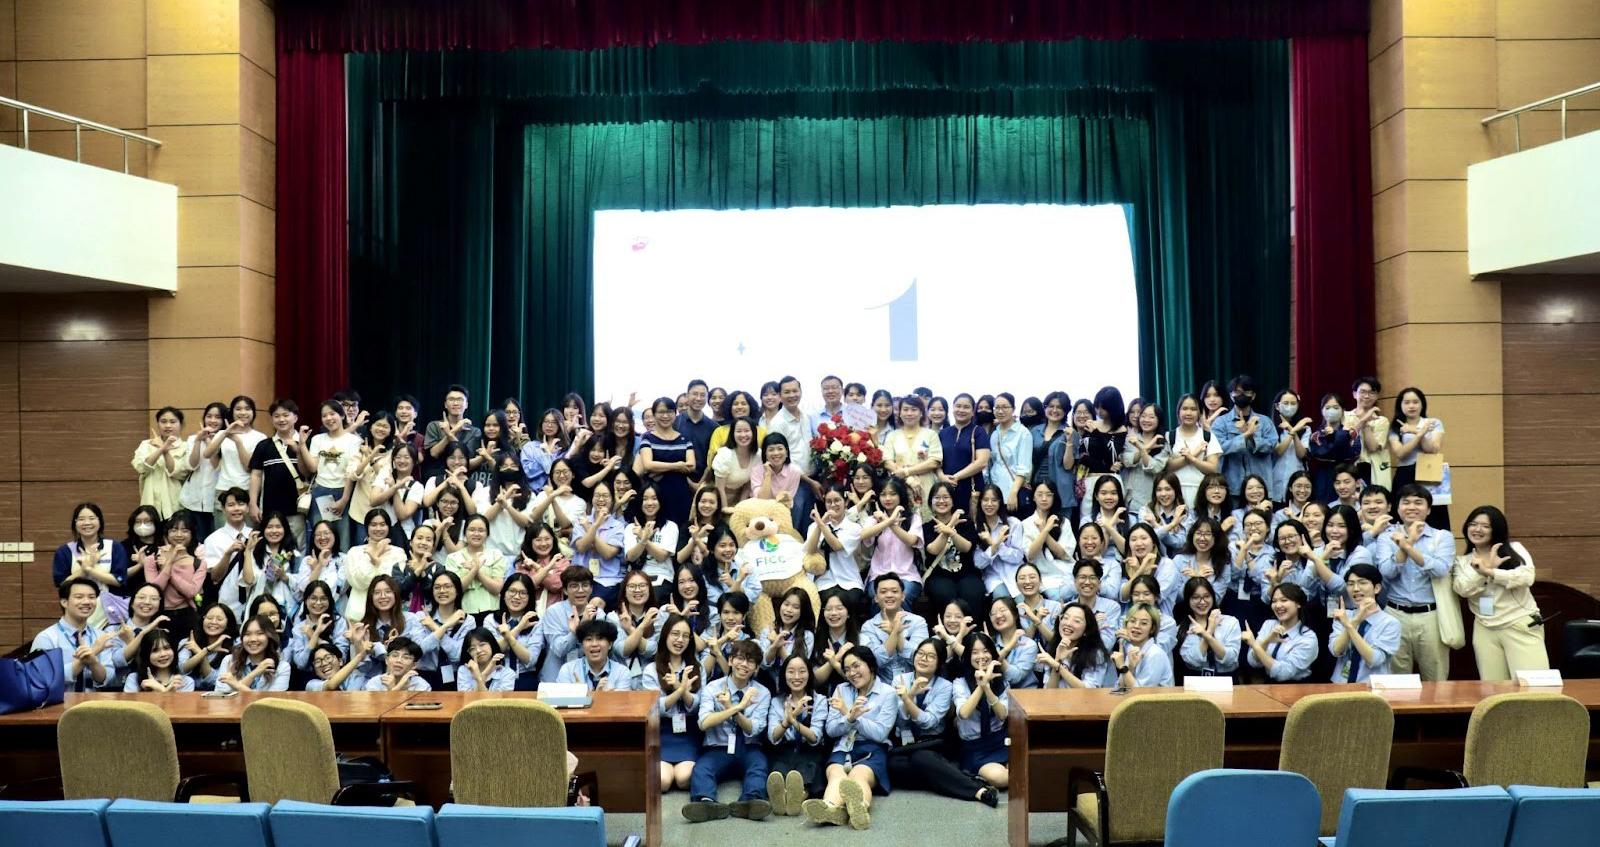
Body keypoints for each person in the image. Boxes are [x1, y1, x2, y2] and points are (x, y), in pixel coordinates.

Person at [802, 646, 897, 830]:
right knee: (835, 774)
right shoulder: (841, 689)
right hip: (842, 747)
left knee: (858, 775)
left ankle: (860, 809)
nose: (852, 673)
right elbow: (830, 729)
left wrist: (851, 716)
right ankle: (830, 808)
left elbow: (880, 733)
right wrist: (849, 718)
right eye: (847, 669)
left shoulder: (888, 693)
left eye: (856, 666)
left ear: (870, 666)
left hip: (871, 748)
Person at [1452, 506, 1549, 681]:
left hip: (1519, 623)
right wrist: (1481, 573)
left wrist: (1491, 572)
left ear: (1496, 529)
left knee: (1533, 683)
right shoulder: (1462, 561)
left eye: (1485, 526)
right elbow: (1462, 589)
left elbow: (1527, 577)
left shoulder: (1514, 549)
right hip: (1484, 628)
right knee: (1493, 688)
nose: (1477, 529)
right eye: (1473, 524)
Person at [684, 639, 773, 822]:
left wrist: (733, 709)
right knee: (702, 769)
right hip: (718, 747)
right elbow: (703, 723)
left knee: (759, 766)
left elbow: (754, 728)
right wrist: (736, 708)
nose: (744, 665)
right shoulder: (713, 687)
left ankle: (750, 802)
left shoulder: (762, 692)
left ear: (756, 668)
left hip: (749, 747)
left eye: (750, 661)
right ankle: (705, 802)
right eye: (740, 658)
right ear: (730, 660)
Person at [1376, 484, 1456, 680]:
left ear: (1428, 510)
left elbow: (1440, 570)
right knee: (1396, 680)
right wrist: (1408, 543)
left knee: (1436, 678)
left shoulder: (1442, 537)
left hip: (1430, 616)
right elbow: (1387, 571)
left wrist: (1407, 545)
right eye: (1406, 502)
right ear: (1397, 508)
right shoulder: (1386, 537)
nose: (1411, 507)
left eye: (1418, 502)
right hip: (1395, 614)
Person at [644, 613, 703, 792]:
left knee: (683, 779)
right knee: (663, 782)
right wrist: (680, 690)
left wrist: (680, 688)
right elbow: (654, 708)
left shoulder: (696, 667)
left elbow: (698, 706)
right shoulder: (651, 669)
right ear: (665, 636)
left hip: (688, 731)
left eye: (685, 636)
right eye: (675, 634)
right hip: (660, 731)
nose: (680, 640)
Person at [764, 653, 826, 816]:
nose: (797, 677)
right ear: (784, 675)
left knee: (808, 771)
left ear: (809, 674)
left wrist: (794, 721)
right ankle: (784, 797)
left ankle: (796, 797)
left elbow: (815, 737)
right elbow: (773, 737)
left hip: (808, 750)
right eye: (791, 671)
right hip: (785, 749)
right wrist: (787, 721)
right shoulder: (777, 701)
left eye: (802, 671)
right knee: (778, 771)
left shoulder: (819, 700)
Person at [32, 577, 117, 691]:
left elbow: (108, 678)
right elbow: (43, 679)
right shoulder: (47, 638)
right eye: (79, 597)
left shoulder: (101, 636)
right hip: (58, 701)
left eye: (92, 597)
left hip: (92, 701)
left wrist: (93, 662)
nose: (87, 602)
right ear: (64, 602)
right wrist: (90, 654)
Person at [538, 566, 618, 684]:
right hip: (555, 679)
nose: (580, 590)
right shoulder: (553, 612)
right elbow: (558, 649)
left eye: (585, 585)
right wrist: (578, 630)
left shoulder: (598, 614)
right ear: (565, 590)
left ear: (591, 589)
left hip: (586, 679)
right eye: (574, 586)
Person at [951, 632, 1010, 790]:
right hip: (974, 747)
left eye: (985, 651)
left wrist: (988, 689)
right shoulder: (960, 683)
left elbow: (1003, 715)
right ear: (968, 656)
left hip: (1000, 741)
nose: (981, 656)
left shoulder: (1002, 682)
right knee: (1002, 778)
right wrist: (981, 686)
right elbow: (964, 713)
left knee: (1024, 770)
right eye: (975, 652)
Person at [300, 400, 361, 549]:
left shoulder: (354, 441)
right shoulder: (317, 439)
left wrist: (344, 500)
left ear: (342, 415)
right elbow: (313, 467)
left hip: (343, 491)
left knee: (343, 539)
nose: (328, 418)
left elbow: (351, 473)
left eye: (332, 414)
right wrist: (302, 445)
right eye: (324, 415)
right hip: (320, 492)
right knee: (320, 538)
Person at [1389, 386, 1452, 530]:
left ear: (1422, 404)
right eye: (1407, 402)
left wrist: (1414, 431)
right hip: (1405, 473)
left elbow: (1433, 449)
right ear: (1400, 405)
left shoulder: (1433, 422)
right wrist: (1419, 434)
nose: (1411, 406)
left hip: (1429, 471)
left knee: (1435, 514)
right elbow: (1400, 453)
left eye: (1415, 402)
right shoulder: (1395, 427)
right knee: (1404, 513)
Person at [1329, 563, 1402, 683]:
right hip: (1340, 684)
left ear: (1377, 588)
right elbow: (1336, 650)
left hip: (1372, 686)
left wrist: (1350, 626)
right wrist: (1354, 621)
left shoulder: (1390, 623)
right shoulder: (1344, 615)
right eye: (1350, 584)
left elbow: (1374, 660)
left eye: (1362, 583)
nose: (1356, 589)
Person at [1211, 375, 1278, 496]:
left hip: (1260, 487)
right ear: (1231, 395)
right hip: (1232, 488)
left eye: (1246, 392)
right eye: (1237, 392)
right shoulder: (1221, 422)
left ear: (1253, 395)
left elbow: (1271, 446)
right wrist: (1245, 435)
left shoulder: (1265, 421)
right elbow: (1218, 448)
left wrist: (1252, 437)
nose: (1241, 395)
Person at [807, 484, 867, 619]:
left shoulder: (854, 527)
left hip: (849, 580)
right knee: (822, 601)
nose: (833, 505)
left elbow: (837, 546)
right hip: (824, 581)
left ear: (845, 502)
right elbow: (810, 550)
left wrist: (821, 524)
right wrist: (820, 524)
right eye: (829, 501)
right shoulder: (814, 526)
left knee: (852, 601)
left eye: (837, 500)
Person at [144, 510, 207, 637]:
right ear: (167, 534)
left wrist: (167, 567)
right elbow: (155, 590)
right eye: (173, 530)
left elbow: (191, 592)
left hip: (187, 615)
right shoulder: (152, 559)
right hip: (159, 614)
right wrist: (171, 560)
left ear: (192, 534)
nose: (179, 534)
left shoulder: (199, 563)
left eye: (185, 530)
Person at [770, 376, 819, 531]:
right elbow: (778, 460)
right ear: (780, 396)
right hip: (792, 483)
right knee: (793, 527)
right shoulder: (778, 423)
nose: (792, 395)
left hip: (811, 479)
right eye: (787, 392)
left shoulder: (805, 416)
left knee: (809, 527)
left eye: (795, 391)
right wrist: (810, 482)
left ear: (801, 392)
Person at [1243, 583, 1318, 683]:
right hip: (1269, 684)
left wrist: (1255, 645)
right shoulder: (1269, 624)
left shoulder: (1308, 637)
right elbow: (1253, 662)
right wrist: (1266, 641)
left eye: (1284, 600)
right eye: (1274, 601)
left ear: (1298, 604)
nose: (1278, 605)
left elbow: (1283, 673)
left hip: (1296, 687)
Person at [883, 395, 943, 518]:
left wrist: (906, 472)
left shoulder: (931, 435)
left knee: (927, 522)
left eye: (914, 409)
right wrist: (909, 479)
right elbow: (887, 461)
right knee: (900, 521)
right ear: (900, 413)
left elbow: (934, 461)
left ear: (921, 413)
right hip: (899, 487)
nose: (909, 413)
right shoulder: (892, 436)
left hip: (925, 487)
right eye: (905, 409)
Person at [860, 575, 928, 682]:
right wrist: (894, 633)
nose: (889, 595)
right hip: (882, 685)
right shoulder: (868, 627)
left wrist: (895, 633)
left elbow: (919, 658)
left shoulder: (918, 622)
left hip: (914, 683)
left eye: (894, 591)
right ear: (876, 598)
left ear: (903, 596)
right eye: (883, 592)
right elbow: (873, 662)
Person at [571, 482, 626, 608]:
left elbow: (607, 553)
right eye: (597, 495)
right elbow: (581, 547)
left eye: (605, 496)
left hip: (607, 579)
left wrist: (590, 528)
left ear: (612, 499)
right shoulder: (581, 521)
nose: (601, 499)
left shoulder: (618, 526)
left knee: (595, 603)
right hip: (580, 577)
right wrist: (595, 526)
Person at [1174, 577, 1242, 678]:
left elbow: (1230, 659)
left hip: (1226, 678)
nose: (1202, 602)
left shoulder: (1230, 622)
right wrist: (1209, 630)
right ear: (1188, 600)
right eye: (1196, 597)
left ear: (1213, 597)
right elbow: (1193, 661)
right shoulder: (1182, 629)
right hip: (1195, 679)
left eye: (1206, 596)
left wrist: (1206, 634)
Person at [485, 574, 544, 687]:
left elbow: (530, 660)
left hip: (525, 678)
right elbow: (491, 652)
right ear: (504, 594)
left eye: (523, 593)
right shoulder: (491, 620)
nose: (516, 597)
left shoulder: (536, 623)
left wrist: (508, 636)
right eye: (512, 591)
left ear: (530, 597)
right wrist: (519, 628)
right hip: (497, 677)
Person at [1038, 602, 1115, 689]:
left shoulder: (1096, 654)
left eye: (1077, 621)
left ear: (1086, 630)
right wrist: (1058, 661)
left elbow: (1089, 691)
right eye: (1065, 618)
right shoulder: (1054, 648)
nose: (1068, 623)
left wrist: (1058, 667)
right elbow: (1050, 692)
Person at [133, 407, 192, 519]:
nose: (168, 425)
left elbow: (179, 473)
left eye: (173, 422)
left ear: (181, 425)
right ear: (158, 424)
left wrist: (165, 451)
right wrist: (160, 449)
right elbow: (141, 468)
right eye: (163, 421)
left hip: (175, 504)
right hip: (149, 502)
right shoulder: (146, 444)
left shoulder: (186, 447)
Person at [445, 514, 508, 616]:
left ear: (487, 534)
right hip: (463, 613)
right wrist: (473, 571)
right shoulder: (453, 558)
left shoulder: (496, 555)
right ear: (465, 533)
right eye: (472, 530)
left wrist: (477, 572)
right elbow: (455, 590)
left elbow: (497, 589)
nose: (476, 534)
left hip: (492, 613)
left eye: (481, 530)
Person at [939, 394, 992, 515]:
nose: (961, 410)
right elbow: (936, 461)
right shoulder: (943, 433)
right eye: (958, 406)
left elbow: (982, 462)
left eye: (966, 407)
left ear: (973, 412)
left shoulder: (979, 432)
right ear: (953, 408)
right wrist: (942, 477)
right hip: (945, 488)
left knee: (969, 522)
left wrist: (956, 477)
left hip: (970, 488)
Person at [1166, 394, 1222, 506]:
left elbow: (1213, 468)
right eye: (1184, 408)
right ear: (1178, 412)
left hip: (1202, 492)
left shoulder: (1208, 437)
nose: (1188, 413)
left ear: (1199, 413)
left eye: (1193, 409)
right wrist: (1194, 454)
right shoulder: (1169, 436)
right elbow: (1166, 466)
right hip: (1173, 493)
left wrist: (1192, 458)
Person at [215, 613, 290, 692]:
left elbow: (271, 699)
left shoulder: (282, 667)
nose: (253, 639)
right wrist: (255, 672)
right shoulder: (229, 660)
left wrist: (236, 684)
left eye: (260, 633)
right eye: (247, 634)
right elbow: (220, 695)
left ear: (270, 636)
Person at [1307, 394, 1360, 503]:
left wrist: (1337, 435)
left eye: (1336, 408)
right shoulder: (1316, 435)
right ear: (1322, 411)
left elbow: (1353, 453)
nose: (1331, 411)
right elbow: (1320, 454)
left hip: (1346, 475)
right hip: (1323, 477)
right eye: (1327, 408)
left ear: (1343, 410)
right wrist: (1335, 438)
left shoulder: (1351, 433)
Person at [557, 618, 636, 691]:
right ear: (582, 645)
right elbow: (562, 700)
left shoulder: (622, 672)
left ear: (610, 644)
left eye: (600, 639)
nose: (594, 644)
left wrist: (589, 695)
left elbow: (621, 701)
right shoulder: (568, 670)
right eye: (589, 639)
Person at [986, 393, 1033, 514]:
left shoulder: (1023, 433)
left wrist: (1013, 492)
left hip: (1013, 494)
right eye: (997, 407)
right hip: (995, 494)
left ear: (1013, 409)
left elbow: (1023, 467)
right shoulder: (994, 433)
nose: (1000, 411)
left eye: (1005, 407)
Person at [423, 384, 481, 479]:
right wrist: (455, 430)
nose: (455, 403)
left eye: (460, 400)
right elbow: (433, 453)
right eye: (451, 399)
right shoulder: (434, 425)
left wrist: (449, 433)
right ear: (445, 404)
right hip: (436, 477)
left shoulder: (474, 431)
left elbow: (466, 458)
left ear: (466, 404)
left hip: (463, 477)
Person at [1112, 602, 1173, 687]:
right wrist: (1130, 667)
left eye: (1143, 623)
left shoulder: (1155, 654)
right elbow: (1121, 687)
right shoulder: (1133, 651)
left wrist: (1122, 667)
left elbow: (1141, 692)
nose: (1136, 626)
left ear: (1152, 629)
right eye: (1132, 621)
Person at [985, 595, 1040, 689]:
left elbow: (1015, 677)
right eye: (993, 613)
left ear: (1015, 614)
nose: (998, 615)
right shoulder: (989, 643)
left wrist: (996, 652)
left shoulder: (1029, 645)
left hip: (1024, 695)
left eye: (1002, 610)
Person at [1270, 390, 1312, 502]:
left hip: (1297, 482)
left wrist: (1292, 430)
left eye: (1293, 403)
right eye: (1286, 403)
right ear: (1277, 406)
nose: (1289, 406)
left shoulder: (1305, 429)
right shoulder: (1270, 427)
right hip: (1274, 481)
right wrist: (1293, 430)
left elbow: (1301, 454)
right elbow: (1279, 451)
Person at [123, 628, 194, 692]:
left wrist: (162, 690)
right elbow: (130, 703)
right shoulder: (133, 679)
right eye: (155, 650)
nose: (163, 654)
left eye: (166, 648)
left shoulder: (186, 682)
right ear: (146, 654)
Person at [673, 380, 718, 479]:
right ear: (687, 396)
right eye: (695, 394)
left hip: (704, 482)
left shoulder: (714, 427)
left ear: (707, 398)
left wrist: (702, 483)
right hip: (677, 479)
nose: (698, 398)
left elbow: (714, 459)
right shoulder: (674, 423)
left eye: (702, 395)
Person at [454, 626, 516, 692]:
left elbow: (493, 699)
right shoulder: (464, 671)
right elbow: (467, 698)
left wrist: (481, 676)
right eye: (472, 648)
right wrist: (481, 677)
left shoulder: (507, 674)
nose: (478, 650)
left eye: (482, 645)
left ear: (491, 645)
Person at [363, 636, 432, 691]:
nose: (399, 660)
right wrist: (397, 688)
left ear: (414, 665)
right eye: (395, 655)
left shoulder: (421, 685)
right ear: (386, 660)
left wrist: (394, 688)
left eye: (406, 657)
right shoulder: (375, 683)